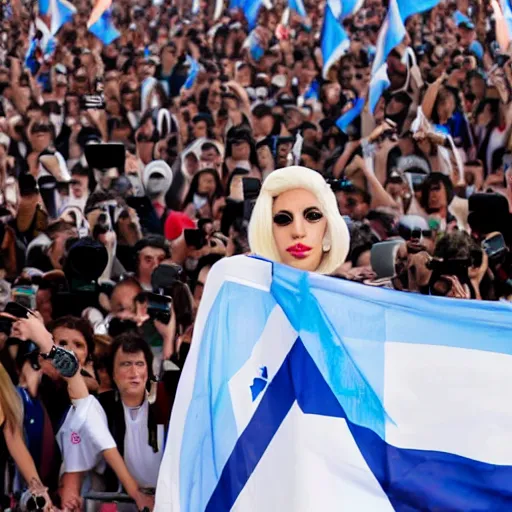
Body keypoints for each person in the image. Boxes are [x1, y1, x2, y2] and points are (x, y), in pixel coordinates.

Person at [249, 166, 350, 274]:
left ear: (329, 230)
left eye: (313, 216)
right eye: (283, 219)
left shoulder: (354, 289)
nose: (298, 232)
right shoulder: (240, 287)